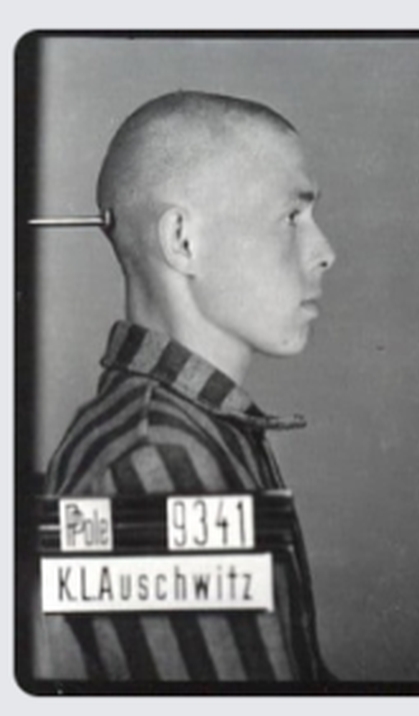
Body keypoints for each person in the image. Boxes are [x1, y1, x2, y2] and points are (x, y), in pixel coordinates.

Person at [33, 90, 336, 681]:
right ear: (183, 241)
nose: (325, 251)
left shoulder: (192, 432)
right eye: (291, 218)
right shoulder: (160, 463)